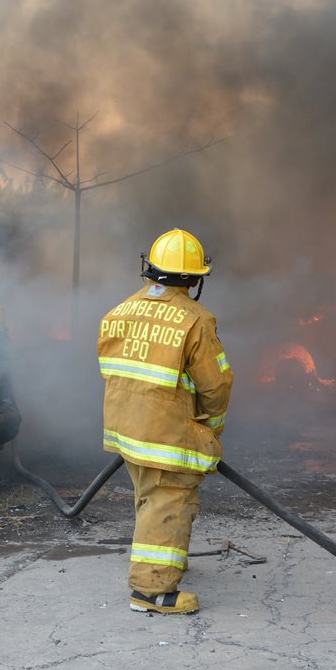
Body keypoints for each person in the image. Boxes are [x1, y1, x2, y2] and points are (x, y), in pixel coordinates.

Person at [97, 228, 233, 614]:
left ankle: (166, 561)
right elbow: (216, 387)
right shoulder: (195, 320)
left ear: (150, 269)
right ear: (193, 279)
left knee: (149, 497)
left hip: (127, 429)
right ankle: (150, 591)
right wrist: (209, 428)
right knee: (167, 500)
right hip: (167, 433)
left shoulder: (119, 311)